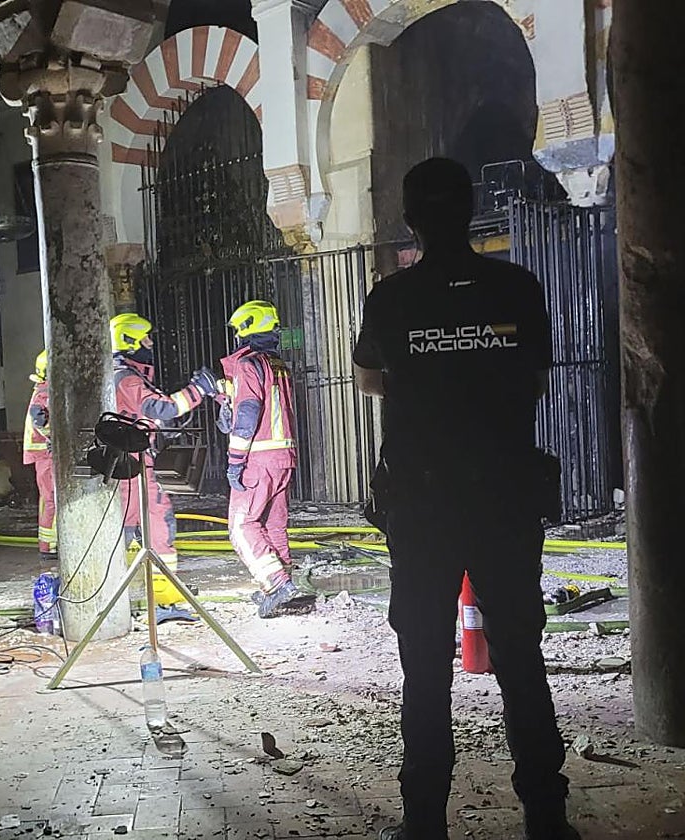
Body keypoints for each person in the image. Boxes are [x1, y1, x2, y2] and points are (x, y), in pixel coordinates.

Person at [352, 158, 576, 840]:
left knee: (424, 666)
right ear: (472, 211)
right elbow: (534, 378)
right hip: (504, 500)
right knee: (520, 659)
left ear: (410, 220)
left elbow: (368, 380)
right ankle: (546, 818)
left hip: (422, 507)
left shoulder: (391, 299)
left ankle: (424, 821)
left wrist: (426, 381)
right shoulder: (516, 287)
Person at [111, 313, 218, 624]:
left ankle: (151, 601)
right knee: (154, 529)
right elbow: (162, 407)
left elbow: (148, 414)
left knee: (136, 531)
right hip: (133, 469)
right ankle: (157, 603)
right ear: (130, 341)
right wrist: (198, 390)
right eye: (145, 338)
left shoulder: (124, 376)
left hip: (129, 465)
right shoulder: (127, 378)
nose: (150, 344)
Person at [218, 300, 306, 618]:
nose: (236, 337)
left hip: (259, 458)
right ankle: (284, 588)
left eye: (238, 330)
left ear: (248, 328)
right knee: (273, 525)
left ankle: (277, 584)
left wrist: (235, 461)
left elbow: (247, 413)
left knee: (242, 526)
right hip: (284, 456)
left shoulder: (248, 365)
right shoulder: (277, 365)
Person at [23, 350, 57, 561]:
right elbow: (40, 421)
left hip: (45, 453)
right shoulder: (45, 393)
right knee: (52, 499)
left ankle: (50, 543)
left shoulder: (43, 390)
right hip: (45, 454)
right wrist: (54, 438)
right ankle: (49, 546)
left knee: (50, 499)